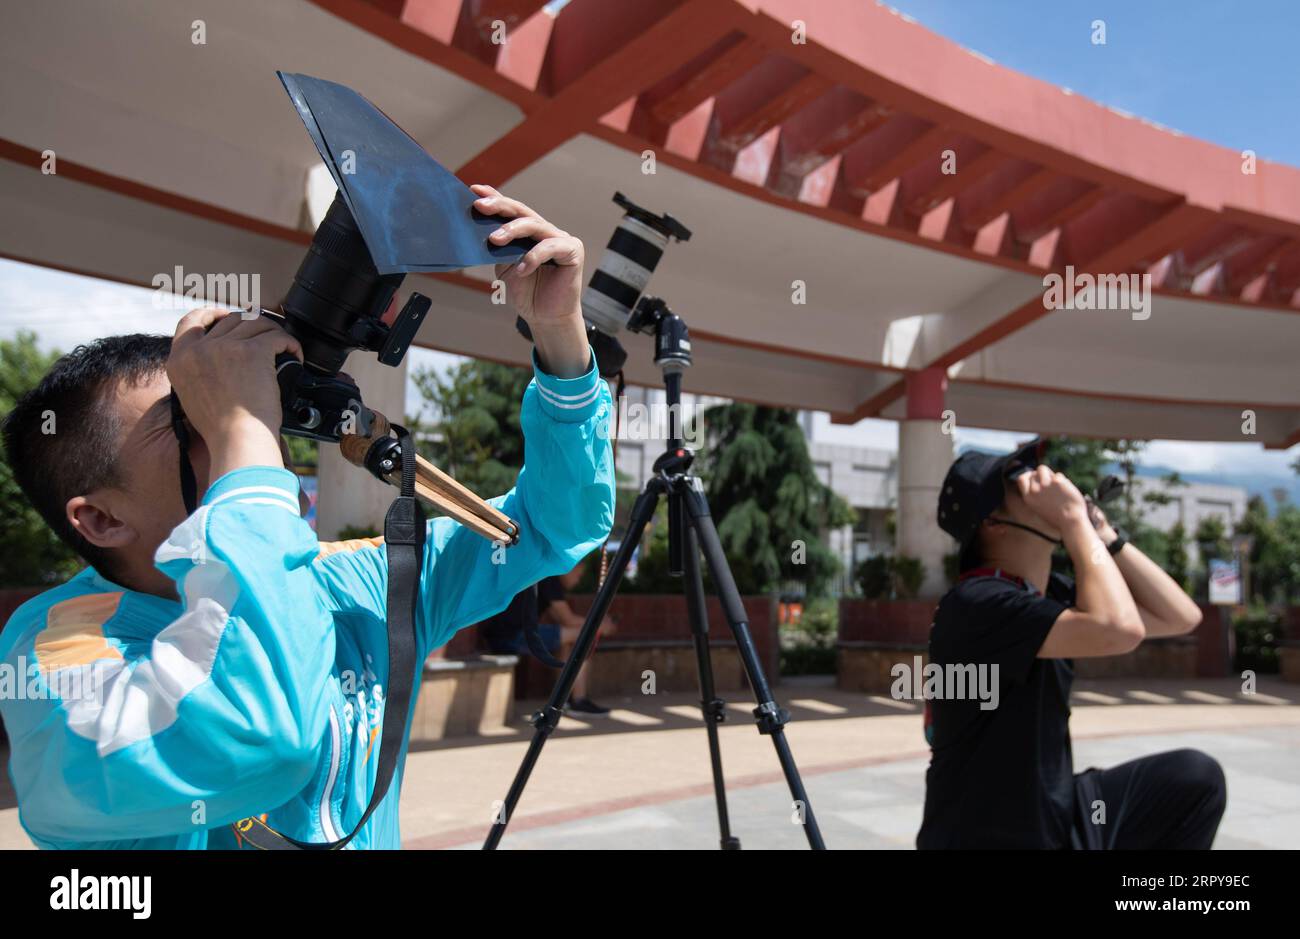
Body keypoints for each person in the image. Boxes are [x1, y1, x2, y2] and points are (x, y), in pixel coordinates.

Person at [0, 185, 615, 849]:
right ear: (99, 519)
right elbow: (260, 737)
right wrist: (242, 431)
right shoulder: (55, 657)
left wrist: (559, 338)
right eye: (191, 420)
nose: (234, 425)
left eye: (214, 403)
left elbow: (556, 524)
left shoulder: (346, 582)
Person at [917, 439, 1226, 850]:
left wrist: (1105, 534)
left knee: (1194, 779)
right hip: (989, 834)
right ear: (993, 521)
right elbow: (1119, 629)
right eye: (1020, 479)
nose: (1046, 480)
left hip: (1054, 811)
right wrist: (1073, 521)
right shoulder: (977, 603)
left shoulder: (1045, 595)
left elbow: (1179, 616)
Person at [477, 553, 615, 717]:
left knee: (570, 640)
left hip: (506, 634)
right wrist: (599, 625)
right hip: (511, 636)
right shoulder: (549, 577)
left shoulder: (544, 576)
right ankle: (577, 701)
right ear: (570, 567)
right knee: (585, 635)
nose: (579, 580)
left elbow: (562, 620)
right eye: (579, 574)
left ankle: (565, 699)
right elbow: (567, 619)